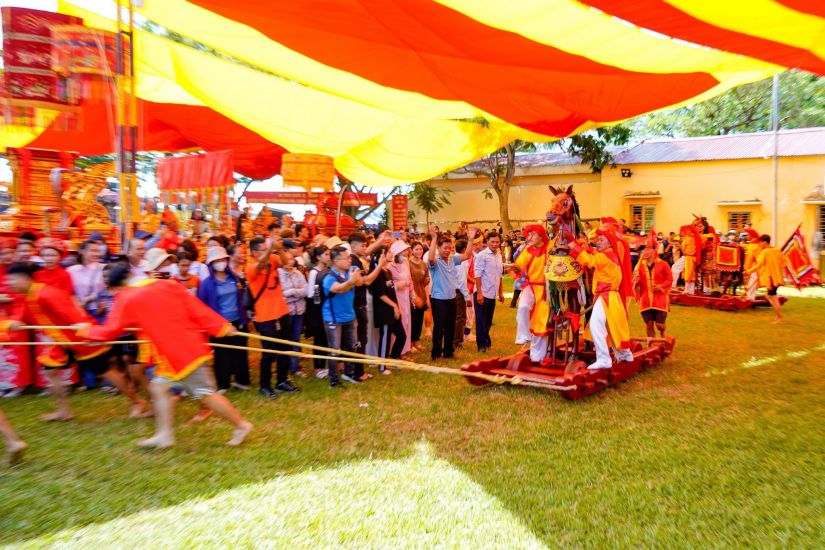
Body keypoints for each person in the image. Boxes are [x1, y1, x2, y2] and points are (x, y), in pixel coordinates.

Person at [75, 265, 253, 448]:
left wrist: (87, 330)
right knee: (159, 388)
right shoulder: (167, 284)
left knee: (205, 394)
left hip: (181, 355)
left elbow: (110, 330)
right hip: (182, 348)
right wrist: (221, 327)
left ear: (115, 287)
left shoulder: (126, 297)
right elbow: (196, 308)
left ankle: (241, 425)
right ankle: (164, 435)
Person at [1, 263, 147, 420]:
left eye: (12, 280)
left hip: (81, 340)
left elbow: (75, 316)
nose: (9, 284)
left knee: (106, 372)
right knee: (50, 370)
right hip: (61, 342)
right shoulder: (27, 296)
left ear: (25, 279)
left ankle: (137, 402)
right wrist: (12, 324)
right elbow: (20, 318)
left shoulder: (48, 294)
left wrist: (93, 335)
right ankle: (64, 411)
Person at [568, 227, 635, 370]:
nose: (598, 242)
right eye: (598, 240)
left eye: (601, 240)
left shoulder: (605, 256)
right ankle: (625, 354)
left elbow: (590, 261)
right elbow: (594, 255)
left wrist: (574, 247)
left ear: (610, 243)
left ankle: (604, 359)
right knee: (611, 326)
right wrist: (584, 247)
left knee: (596, 325)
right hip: (608, 296)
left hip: (606, 296)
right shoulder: (609, 254)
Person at [246, 236, 299, 398]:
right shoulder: (250, 267)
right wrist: (270, 249)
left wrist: (280, 249)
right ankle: (265, 385)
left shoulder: (272, 259)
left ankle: (282, 381)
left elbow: (284, 261)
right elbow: (259, 266)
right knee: (269, 353)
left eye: (266, 248)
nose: (266, 252)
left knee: (285, 349)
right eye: (262, 249)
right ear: (254, 252)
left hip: (282, 312)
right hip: (265, 316)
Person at [198, 247, 251, 392]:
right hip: (219, 325)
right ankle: (223, 383)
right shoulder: (207, 284)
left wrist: (245, 317)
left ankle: (242, 381)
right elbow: (201, 306)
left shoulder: (234, 278)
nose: (221, 262)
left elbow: (242, 298)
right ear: (211, 263)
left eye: (223, 259)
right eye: (217, 260)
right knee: (222, 354)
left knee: (240, 352)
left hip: (238, 321)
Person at [427, 225, 475, 361]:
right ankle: (436, 354)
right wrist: (434, 238)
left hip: (452, 298)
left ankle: (448, 352)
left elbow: (467, 255)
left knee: (450, 327)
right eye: (445, 248)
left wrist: (470, 239)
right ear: (438, 248)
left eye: (450, 248)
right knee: (439, 328)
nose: (448, 250)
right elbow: (430, 258)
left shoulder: (453, 259)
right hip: (438, 299)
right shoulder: (435, 262)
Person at [321, 246, 363, 387]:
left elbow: (360, 282)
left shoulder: (350, 272)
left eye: (349, 257)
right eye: (346, 258)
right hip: (333, 318)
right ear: (336, 261)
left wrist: (354, 278)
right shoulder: (329, 277)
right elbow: (338, 289)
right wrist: (351, 281)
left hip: (350, 315)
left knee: (353, 346)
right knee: (334, 350)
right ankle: (333, 380)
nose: (349, 260)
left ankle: (349, 373)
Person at [512, 225, 551, 362]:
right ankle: (523, 335)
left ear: (541, 235)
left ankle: (537, 356)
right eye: (528, 235)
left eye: (532, 234)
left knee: (540, 322)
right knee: (523, 307)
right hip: (530, 286)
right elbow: (519, 266)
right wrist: (516, 269)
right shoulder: (527, 250)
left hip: (546, 290)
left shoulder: (550, 248)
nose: (529, 237)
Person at [370, 248, 405, 371]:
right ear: (381, 256)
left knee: (401, 335)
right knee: (385, 337)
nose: (392, 254)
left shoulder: (388, 271)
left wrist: (396, 306)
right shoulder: (378, 272)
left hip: (393, 309)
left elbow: (391, 290)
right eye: (389, 252)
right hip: (384, 310)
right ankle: (382, 366)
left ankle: (393, 358)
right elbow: (380, 294)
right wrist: (394, 306)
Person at [634, 235, 673, 338]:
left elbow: (669, 279)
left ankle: (662, 333)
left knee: (660, 325)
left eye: (647, 249)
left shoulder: (664, 264)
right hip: (645, 299)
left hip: (660, 299)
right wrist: (636, 281)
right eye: (643, 250)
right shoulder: (639, 266)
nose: (644, 252)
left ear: (654, 250)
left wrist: (661, 286)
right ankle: (651, 343)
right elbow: (635, 285)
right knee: (649, 325)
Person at [473, 231, 505, 352]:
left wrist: (500, 292)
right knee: (481, 320)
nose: (495, 244)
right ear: (487, 242)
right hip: (482, 292)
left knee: (488, 321)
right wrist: (479, 293)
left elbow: (500, 275)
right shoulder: (482, 255)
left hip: (492, 294)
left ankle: (486, 342)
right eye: (492, 242)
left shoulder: (499, 255)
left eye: (497, 242)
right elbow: (477, 275)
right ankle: (482, 346)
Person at [278, 252, 308, 378]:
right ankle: (284, 368)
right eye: (287, 259)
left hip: (299, 311)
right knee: (285, 340)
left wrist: (291, 292)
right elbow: (280, 295)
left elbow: (306, 290)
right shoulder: (278, 275)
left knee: (296, 339)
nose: (290, 262)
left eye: (291, 259)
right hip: (286, 312)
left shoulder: (298, 273)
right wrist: (295, 292)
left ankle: (295, 367)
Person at [746, 234, 785, 323]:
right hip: (777, 278)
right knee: (769, 296)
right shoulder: (777, 250)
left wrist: (748, 272)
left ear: (765, 242)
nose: (760, 244)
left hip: (771, 279)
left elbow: (758, 265)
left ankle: (779, 318)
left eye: (760, 242)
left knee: (773, 297)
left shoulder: (765, 252)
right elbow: (783, 264)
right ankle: (778, 316)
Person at [305, 245, 331, 378]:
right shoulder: (314, 273)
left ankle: (324, 365)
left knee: (325, 338)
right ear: (318, 257)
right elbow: (313, 294)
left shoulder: (327, 270)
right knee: (319, 338)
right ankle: (318, 367)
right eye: (326, 254)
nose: (328, 257)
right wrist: (320, 306)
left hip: (326, 308)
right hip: (317, 310)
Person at [388, 240, 414, 357]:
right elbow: (389, 285)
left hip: (405, 297)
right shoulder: (390, 266)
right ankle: (397, 351)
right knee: (401, 321)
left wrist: (412, 293)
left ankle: (405, 349)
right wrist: (400, 284)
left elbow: (410, 279)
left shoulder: (406, 262)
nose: (406, 253)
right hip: (396, 297)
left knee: (407, 321)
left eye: (406, 250)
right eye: (404, 251)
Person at [68, 239, 106, 316]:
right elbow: (69, 292)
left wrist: (90, 299)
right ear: (82, 251)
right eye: (93, 250)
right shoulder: (71, 270)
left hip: (99, 311)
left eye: (98, 251)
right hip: (78, 310)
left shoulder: (104, 268)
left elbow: (110, 290)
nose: (96, 254)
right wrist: (78, 305)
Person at [408, 240, 430, 352]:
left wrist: (427, 280)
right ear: (412, 251)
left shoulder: (423, 264)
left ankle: (416, 341)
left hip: (422, 295)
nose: (419, 251)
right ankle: (410, 344)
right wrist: (413, 296)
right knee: (412, 320)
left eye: (420, 249)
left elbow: (425, 280)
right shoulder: (408, 264)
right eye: (416, 249)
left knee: (419, 321)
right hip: (412, 296)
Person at [453, 240, 472, 351]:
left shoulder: (456, 258)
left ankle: (456, 340)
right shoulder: (460, 260)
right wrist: (467, 297)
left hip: (455, 291)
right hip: (458, 292)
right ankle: (457, 342)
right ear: (464, 249)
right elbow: (461, 281)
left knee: (458, 317)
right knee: (460, 317)